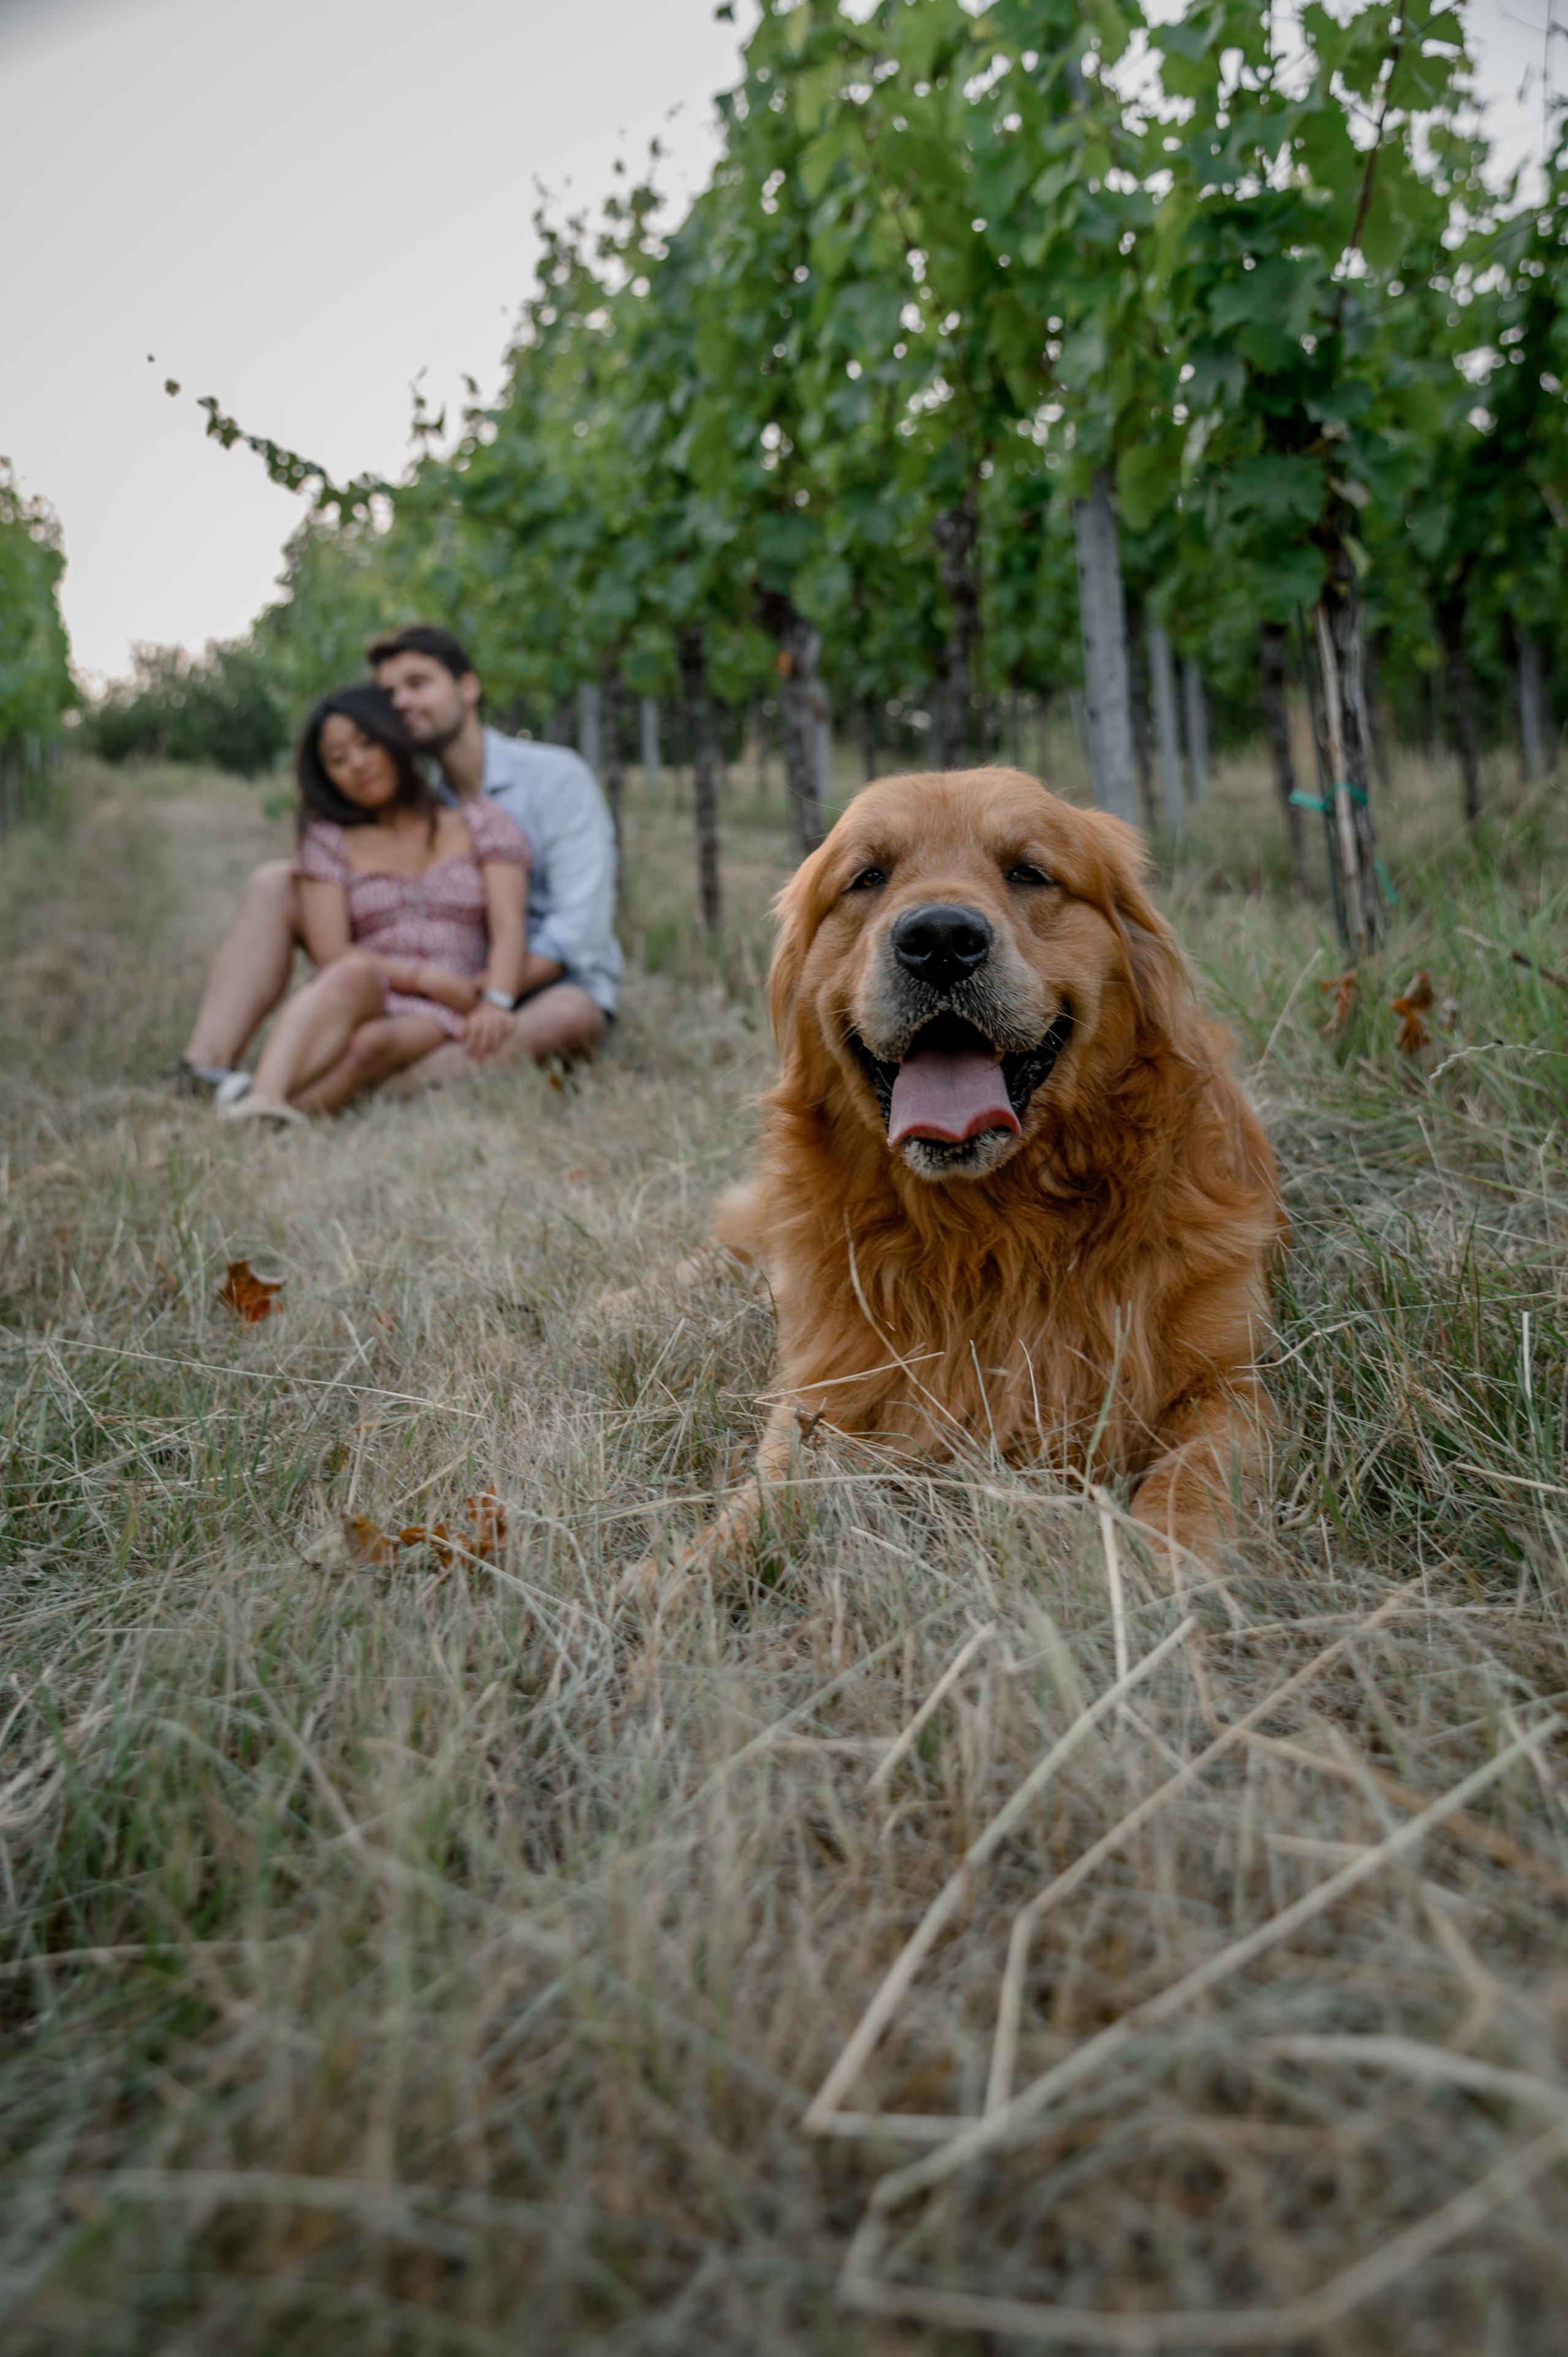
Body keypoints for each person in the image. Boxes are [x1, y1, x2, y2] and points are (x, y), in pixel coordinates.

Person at [177, 624, 620, 1099]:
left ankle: (364, 1089)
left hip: (535, 983)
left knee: (570, 1015)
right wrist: (428, 982)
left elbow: (580, 930)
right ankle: (203, 1070)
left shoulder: (555, 777)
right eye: (390, 693)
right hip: (430, 981)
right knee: (273, 883)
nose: (403, 701)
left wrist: (487, 989)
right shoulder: (415, 799)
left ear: (467, 686)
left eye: (418, 683)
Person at [224, 684, 530, 1123]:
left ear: (394, 738)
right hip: (376, 982)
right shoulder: (328, 841)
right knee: (350, 972)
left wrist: (496, 1000)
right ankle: (265, 1096)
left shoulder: (480, 822)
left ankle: (264, 1114)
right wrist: (424, 978)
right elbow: (331, 951)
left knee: (369, 1046)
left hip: (454, 1000)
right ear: (325, 774)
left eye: (367, 743)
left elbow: (509, 920)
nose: (358, 764)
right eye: (337, 758)